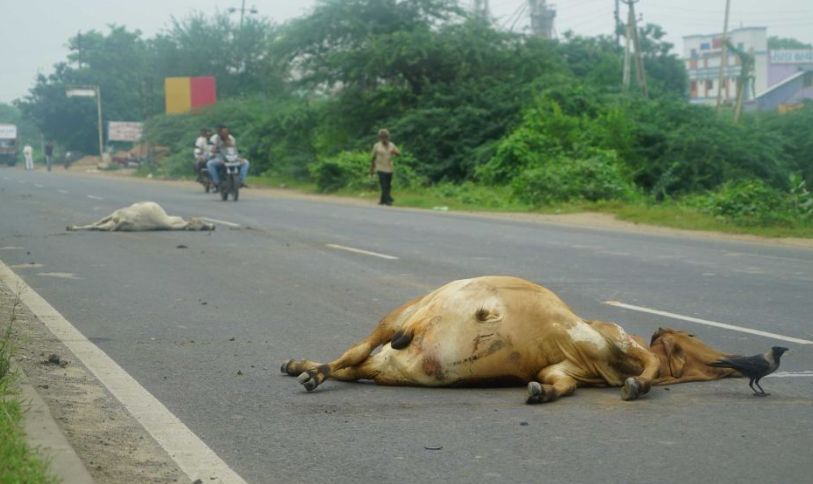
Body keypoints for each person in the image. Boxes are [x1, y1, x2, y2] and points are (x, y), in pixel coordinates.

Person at [206, 125, 250, 191]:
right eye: (223, 132)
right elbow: (211, 149)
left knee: (246, 162)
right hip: (219, 158)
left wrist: (239, 157)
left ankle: (241, 181)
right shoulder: (215, 139)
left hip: (232, 158)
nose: (225, 134)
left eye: (226, 132)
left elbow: (234, 149)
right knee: (210, 164)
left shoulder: (231, 138)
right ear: (220, 132)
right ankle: (216, 182)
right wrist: (214, 150)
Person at [369, 129, 401, 205]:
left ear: (387, 137)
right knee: (384, 185)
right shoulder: (376, 146)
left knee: (388, 185)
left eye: (385, 137)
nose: (384, 138)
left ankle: (382, 200)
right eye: (382, 137)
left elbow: (399, 154)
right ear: (379, 137)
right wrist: (371, 170)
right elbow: (373, 158)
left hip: (389, 168)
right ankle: (388, 200)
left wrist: (395, 152)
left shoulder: (392, 145)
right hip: (380, 168)